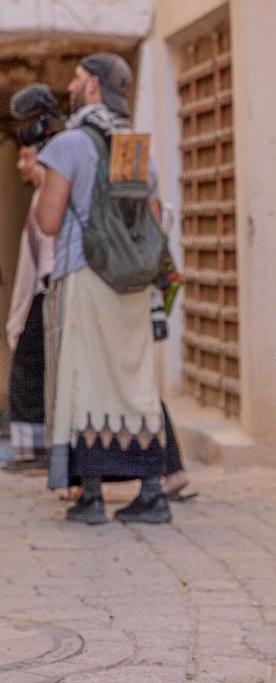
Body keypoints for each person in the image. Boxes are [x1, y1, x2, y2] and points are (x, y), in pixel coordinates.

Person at [36, 53, 172, 525]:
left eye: (76, 78)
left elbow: (48, 221)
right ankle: (152, 492)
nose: (71, 86)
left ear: (92, 85)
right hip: (133, 280)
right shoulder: (135, 148)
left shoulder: (70, 144)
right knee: (135, 382)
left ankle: (91, 495)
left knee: (85, 380)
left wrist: (41, 180)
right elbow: (152, 218)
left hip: (87, 273)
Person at [2, 85, 60, 471]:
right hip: (38, 296)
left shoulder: (50, 196)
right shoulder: (43, 195)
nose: (21, 166)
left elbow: (50, 259)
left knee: (29, 373)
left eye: (27, 157)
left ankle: (34, 451)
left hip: (45, 295)